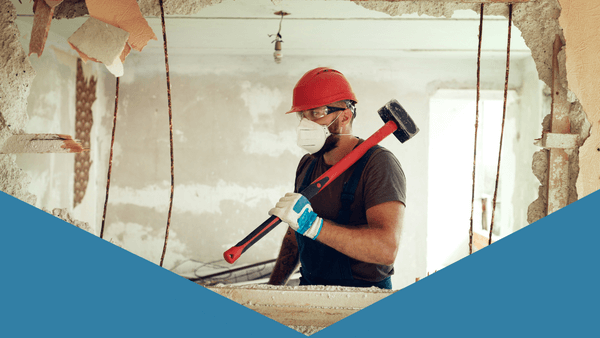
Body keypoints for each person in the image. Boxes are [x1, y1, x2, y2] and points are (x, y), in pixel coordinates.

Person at [267, 67, 406, 289]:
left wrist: (314, 226)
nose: (306, 123)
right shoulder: (308, 163)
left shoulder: (379, 164)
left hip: (363, 296)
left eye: (316, 113)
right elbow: (294, 236)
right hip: (310, 287)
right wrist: (272, 290)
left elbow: (386, 249)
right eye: (302, 115)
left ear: (344, 116)